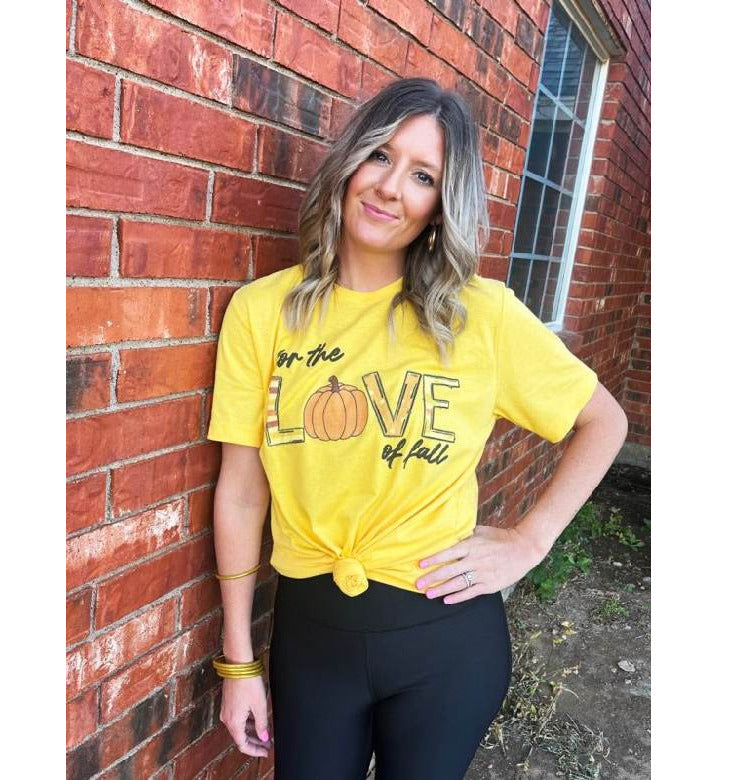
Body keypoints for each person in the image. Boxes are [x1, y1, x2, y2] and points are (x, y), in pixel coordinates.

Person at [206, 78, 628, 779]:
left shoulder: (478, 315)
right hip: (312, 640)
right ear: (349, 163)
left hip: (446, 643)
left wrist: (531, 539)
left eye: (423, 175)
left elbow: (603, 421)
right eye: (380, 155)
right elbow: (243, 493)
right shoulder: (262, 312)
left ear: (440, 205)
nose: (390, 187)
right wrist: (239, 661)